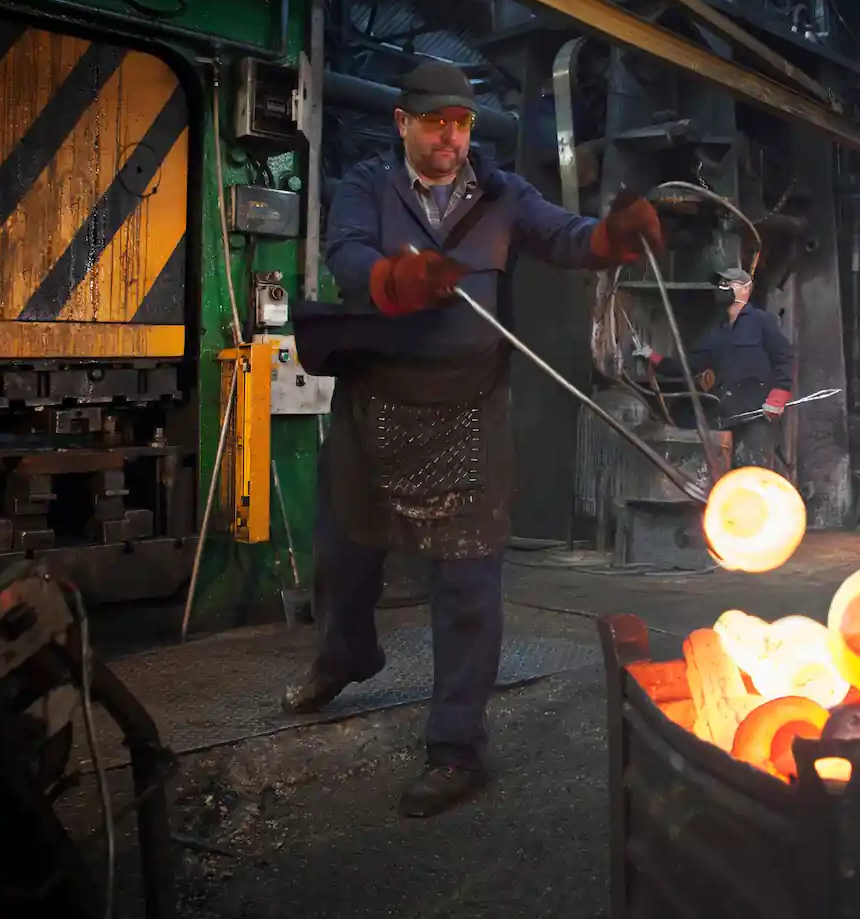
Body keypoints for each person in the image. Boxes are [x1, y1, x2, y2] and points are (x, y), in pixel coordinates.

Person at [285, 61, 662, 818]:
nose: (450, 138)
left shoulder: (502, 195)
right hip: (376, 401)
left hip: (468, 406)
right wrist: (393, 279)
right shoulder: (366, 185)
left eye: (460, 123)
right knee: (345, 552)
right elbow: (347, 253)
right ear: (403, 123)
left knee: (467, 581)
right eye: (435, 123)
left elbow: (564, 237)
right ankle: (347, 653)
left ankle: (457, 748)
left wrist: (611, 237)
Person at [634, 266, 794, 469]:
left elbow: (785, 358)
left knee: (751, 473)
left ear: (746, 289)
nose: (722, 288)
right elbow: (690, 364)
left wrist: (778, 396)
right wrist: (653, 358)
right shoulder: (716, 330)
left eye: (728, 284)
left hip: (755, 418)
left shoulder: (762, 322)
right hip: (723, 417)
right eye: (721, 284)